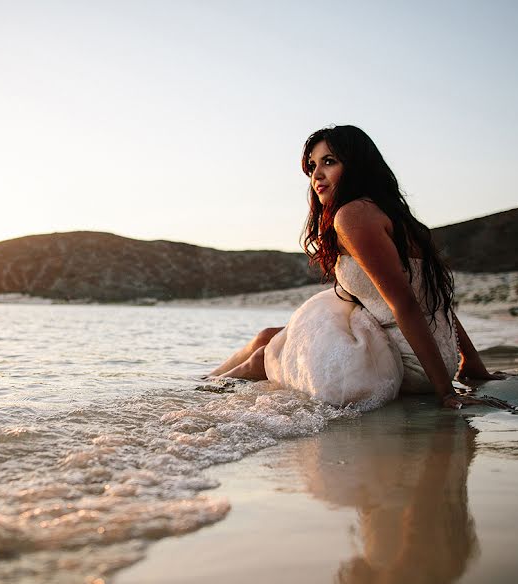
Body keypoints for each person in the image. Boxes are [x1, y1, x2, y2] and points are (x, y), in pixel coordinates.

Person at [210, 125, 502, 410]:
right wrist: (470, 362)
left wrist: (447, 394)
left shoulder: (353, 216)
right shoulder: (395, 216)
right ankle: (201, 384)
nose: (317, 175)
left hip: (408, 362)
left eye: (329, 162)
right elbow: (435, 297)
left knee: (267, 355)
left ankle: (203, 397)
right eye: (312, 166)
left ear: (356, 165)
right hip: (434, 350)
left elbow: (406, 303)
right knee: (267, 337)